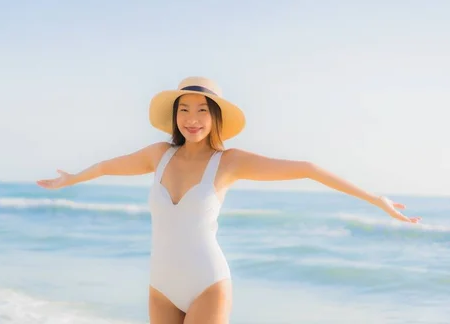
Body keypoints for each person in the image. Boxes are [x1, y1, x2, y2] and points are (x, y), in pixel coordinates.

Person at [36, 76, 421, 324]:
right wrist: (71, 179)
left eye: (202, 110)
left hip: (207, 283)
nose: (192, 118)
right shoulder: (158, 154)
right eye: (184, 109)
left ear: (216, 116)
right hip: (160, 284)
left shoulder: (229, 163)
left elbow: (307, 168)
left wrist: (376, 199)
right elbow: (106, 166)